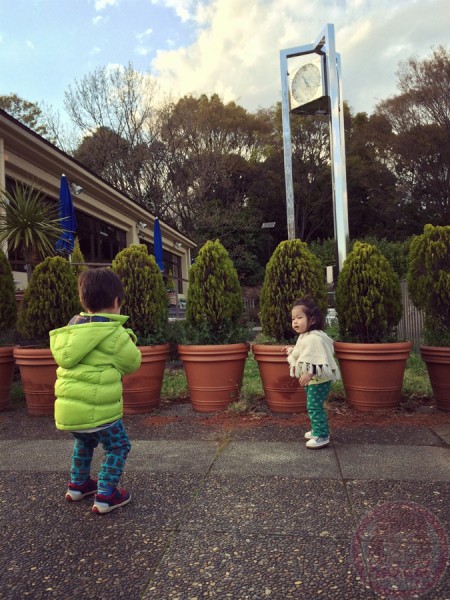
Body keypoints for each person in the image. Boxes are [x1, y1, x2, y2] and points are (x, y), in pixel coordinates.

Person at [50, 268, 141, 514]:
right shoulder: (113, 333)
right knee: (118, 446)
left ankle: (78, 485)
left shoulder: (70, 331)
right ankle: (106, 494)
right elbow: (132, 363)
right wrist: (129, 339)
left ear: (84, 301)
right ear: (116, 302)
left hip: (70, 413)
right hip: (100, 412)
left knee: (84, 441)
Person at [285, 297, 340, 449]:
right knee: (313, 405)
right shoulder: (306, 337)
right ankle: (318, 429)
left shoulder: (314, 339)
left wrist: (309, 374)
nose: (295, 322)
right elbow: (304, 353)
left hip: (318, 379)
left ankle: (321, 435)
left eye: (299, 317)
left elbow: (319, 359)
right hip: (314, 380)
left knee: (314, 406)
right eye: (293, 318)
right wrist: (292, 350)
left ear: (312, 320)